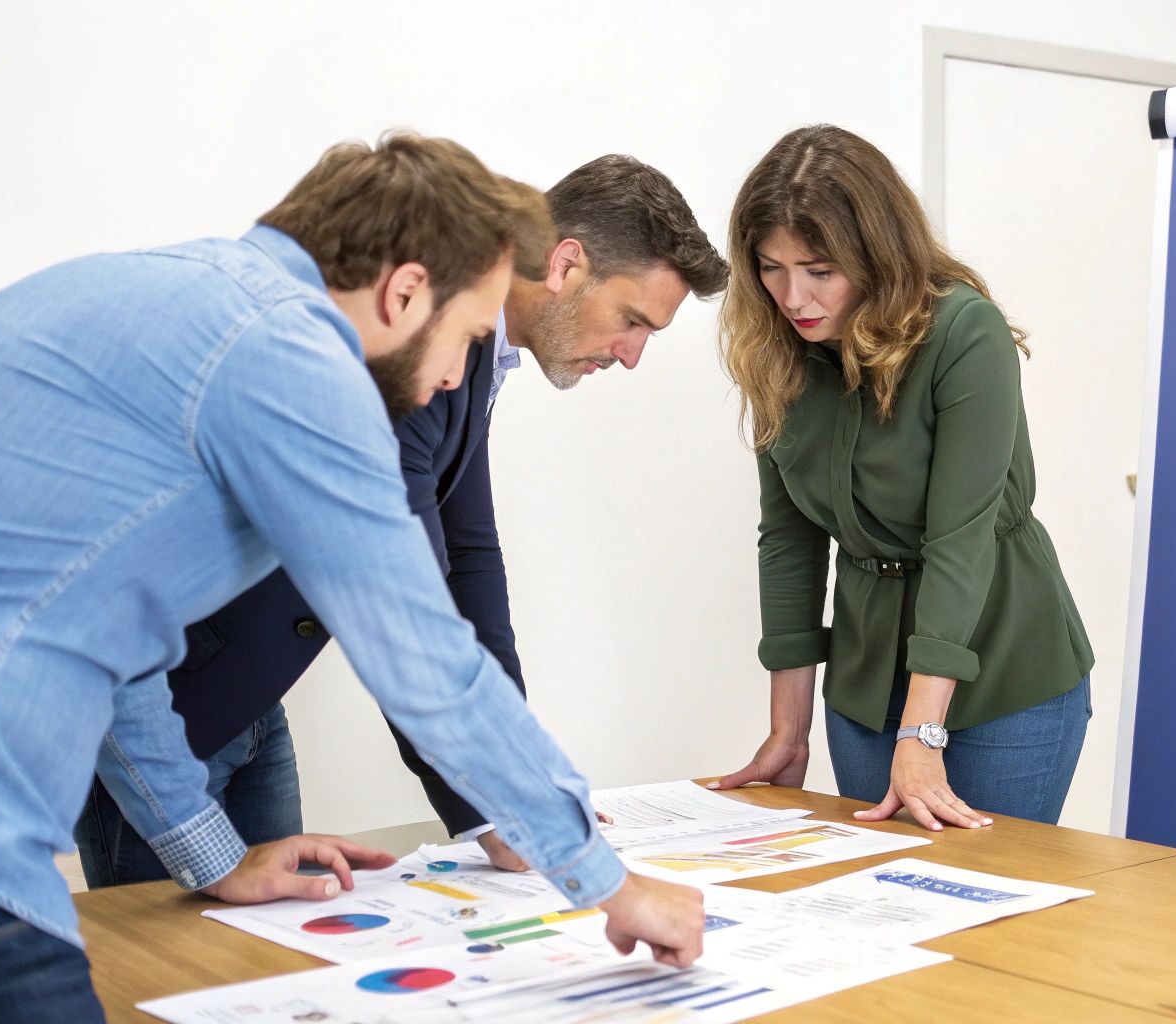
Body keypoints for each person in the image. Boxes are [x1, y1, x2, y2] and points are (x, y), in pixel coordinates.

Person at [0, 133, 700, 1024]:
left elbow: (116, 649)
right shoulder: (289, 358)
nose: (454, 379)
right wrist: (608, 883)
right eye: (470, 338)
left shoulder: (192, 296)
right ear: (405, 293)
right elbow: (420, 655)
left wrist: (213, 856)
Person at [73, 155, 728, 884]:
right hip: (160, 715)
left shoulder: (471, 352)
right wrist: (506, 804)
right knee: (160, 954)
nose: (633, 356)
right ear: (566, 264)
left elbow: (468, 562)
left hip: (252, 701)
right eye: (633, 321)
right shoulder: (400, 347)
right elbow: (401, 605)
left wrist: (519, 784)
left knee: (276, 942)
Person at [712, 125, 1095, 831]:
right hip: (865, 686)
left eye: (819, 270)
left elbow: (960, 540)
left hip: (1005, 673)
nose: (793, 296)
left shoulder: (964, 332)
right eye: (771, 267)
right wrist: (788, 731)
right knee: (876, 888)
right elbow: (789, 544)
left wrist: (922, 734)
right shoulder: (777, 351)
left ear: (876, 254)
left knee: (991, 890)